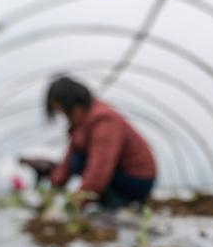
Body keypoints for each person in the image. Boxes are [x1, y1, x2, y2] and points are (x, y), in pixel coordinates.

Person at [45, 76, 157, 209]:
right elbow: (67, 164)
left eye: (65, 112)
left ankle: (119, 201)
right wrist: (52, 191)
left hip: (137, 180)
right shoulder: (82, 126)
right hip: (119, 175)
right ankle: (108, 199)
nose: (66, 118)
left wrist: (73, 205)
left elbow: (99, 169)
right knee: (76, 159)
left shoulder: (104, 121)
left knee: (79, 160)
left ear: (75, 105)